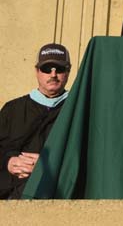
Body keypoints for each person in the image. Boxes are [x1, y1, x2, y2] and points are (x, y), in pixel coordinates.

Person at [0, 43, 72, 199]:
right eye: (47, 69)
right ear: (37, 71)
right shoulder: (12, 109)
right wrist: (8, 162)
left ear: (68, 71)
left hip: (55, 197)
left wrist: (50, 163)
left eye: (59, 69)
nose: (53, 75)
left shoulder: (76, 110)